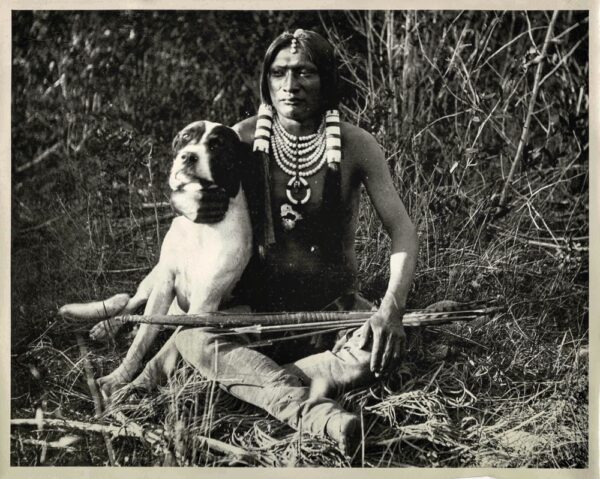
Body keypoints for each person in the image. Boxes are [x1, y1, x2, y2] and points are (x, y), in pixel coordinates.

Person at [102, 29, 418, 454]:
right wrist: (184, 202)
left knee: (376, 352)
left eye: (304, 72)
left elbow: (402, 230)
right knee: (195, 333)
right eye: (279, 72)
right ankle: (317, 415)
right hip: (255, 315)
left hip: (335, 310)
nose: (291, 85)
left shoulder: (358, 146)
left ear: (325, 78)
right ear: (266, 81)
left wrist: (391, 308)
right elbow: (186, 183)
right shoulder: (242, 139)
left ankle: (245, 384)